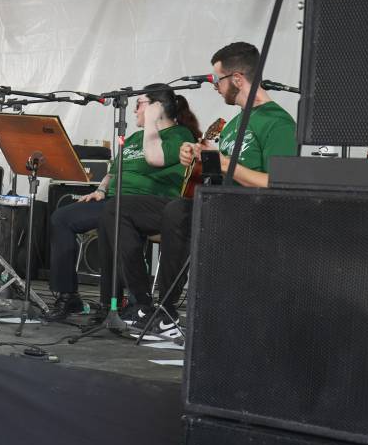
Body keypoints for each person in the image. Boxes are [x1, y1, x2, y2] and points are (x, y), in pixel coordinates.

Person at [106, 42, 297, 338]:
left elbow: (277, 182)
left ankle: (167, 311)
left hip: (248, 211)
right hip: (216, 203)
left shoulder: (278, 122)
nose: (215, 87)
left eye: (216, 80)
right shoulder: (234, 124)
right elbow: (220, 168)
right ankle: (144, 306)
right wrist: (197, 155)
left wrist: (221, 164)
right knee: (118, 208)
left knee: (177, 209)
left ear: (236, 79)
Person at [44, 83, 200, 322]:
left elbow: (154, 157)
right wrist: (100, 189)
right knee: (62, 218)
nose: (136, 110)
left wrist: (151, 121)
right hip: (113, 201)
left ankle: (117, 303)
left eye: (140, 104)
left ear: (156, 107)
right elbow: (114, 170)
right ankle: (68, 295)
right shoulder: (137, 137)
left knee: (113, 213)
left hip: (151, 205)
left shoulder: (179, 135)